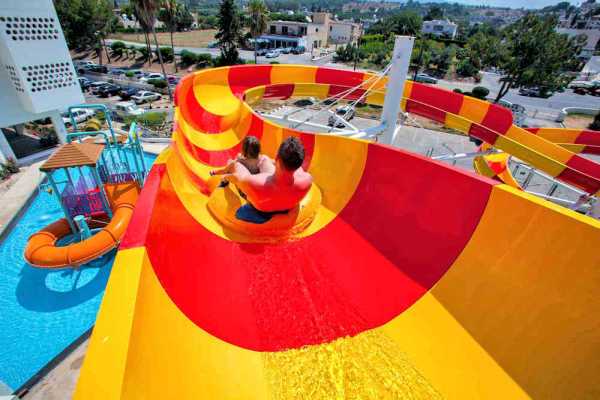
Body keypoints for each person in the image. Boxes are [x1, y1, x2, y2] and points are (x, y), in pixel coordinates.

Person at [225, 137, 312, 213]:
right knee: (264, 159)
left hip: (262, 207)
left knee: (235, 164)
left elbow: (236, 178)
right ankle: (259, 161)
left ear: (277, 157)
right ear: (299, 163)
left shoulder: (254, 182)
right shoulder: (307, 180)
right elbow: (298, 171)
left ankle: (238, 163)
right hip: (286, 201)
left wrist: (227, 174)